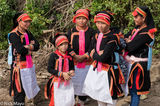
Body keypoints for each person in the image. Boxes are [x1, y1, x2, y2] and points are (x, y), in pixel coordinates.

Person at [82, 10, 125, 106]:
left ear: (108, 24)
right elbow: (90, 49)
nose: (100, 26)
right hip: (97, 70)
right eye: (98, 23)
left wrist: (94, 55)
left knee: (110, 96)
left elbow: (103, 58)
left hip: (109, 71)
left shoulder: (112, 38)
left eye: (103, 23)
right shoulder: (97, 34)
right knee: (99, 95)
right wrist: (98, 54)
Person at [124, 6, 157, 106]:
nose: (134, 19)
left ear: (144, 18)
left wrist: (130, 42)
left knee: (135, 90)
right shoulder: (136, 29)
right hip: (132, 64)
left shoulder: (147, 33)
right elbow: (124, 37)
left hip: (139, 66)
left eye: (137, 17)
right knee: (132, 89)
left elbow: (131, 47)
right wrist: (129, 41)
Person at [8, 12, 40, 105]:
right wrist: (30, 46)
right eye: (25, 22)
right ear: (19, 21)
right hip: (18, 67)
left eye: (29, 22)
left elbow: (37, 46)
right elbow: (20, 49)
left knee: (27, 88)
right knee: (19, 92)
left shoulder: (28, 33)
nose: (27, 24)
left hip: (28, 66)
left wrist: (27, 46)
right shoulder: (13, 35)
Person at [67, 8, 95, 105]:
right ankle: (71, 101)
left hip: (87, 63)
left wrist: (84, 56)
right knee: (72, 84)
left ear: (87, 20)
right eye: (79, 18)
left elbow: (93, 45)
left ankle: (81, 102)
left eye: (83, 18)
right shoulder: (71, 31)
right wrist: (75, 56)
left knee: (84, 83)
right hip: (73, 63)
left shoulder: (92, 32)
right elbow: (67, 45)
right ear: (75, 19)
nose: (81, 21)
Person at [45, 33, 75, 106]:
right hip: (56, 82)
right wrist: (61, 74)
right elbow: (49, 69)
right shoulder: (54, 56)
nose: (64, 46)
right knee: (57, 100)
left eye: (66, 44)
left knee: (69, 99)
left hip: (68, 81)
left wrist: (72, 71)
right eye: (61, 44)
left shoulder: (69, 56)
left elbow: (72, 67)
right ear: (57, 46)